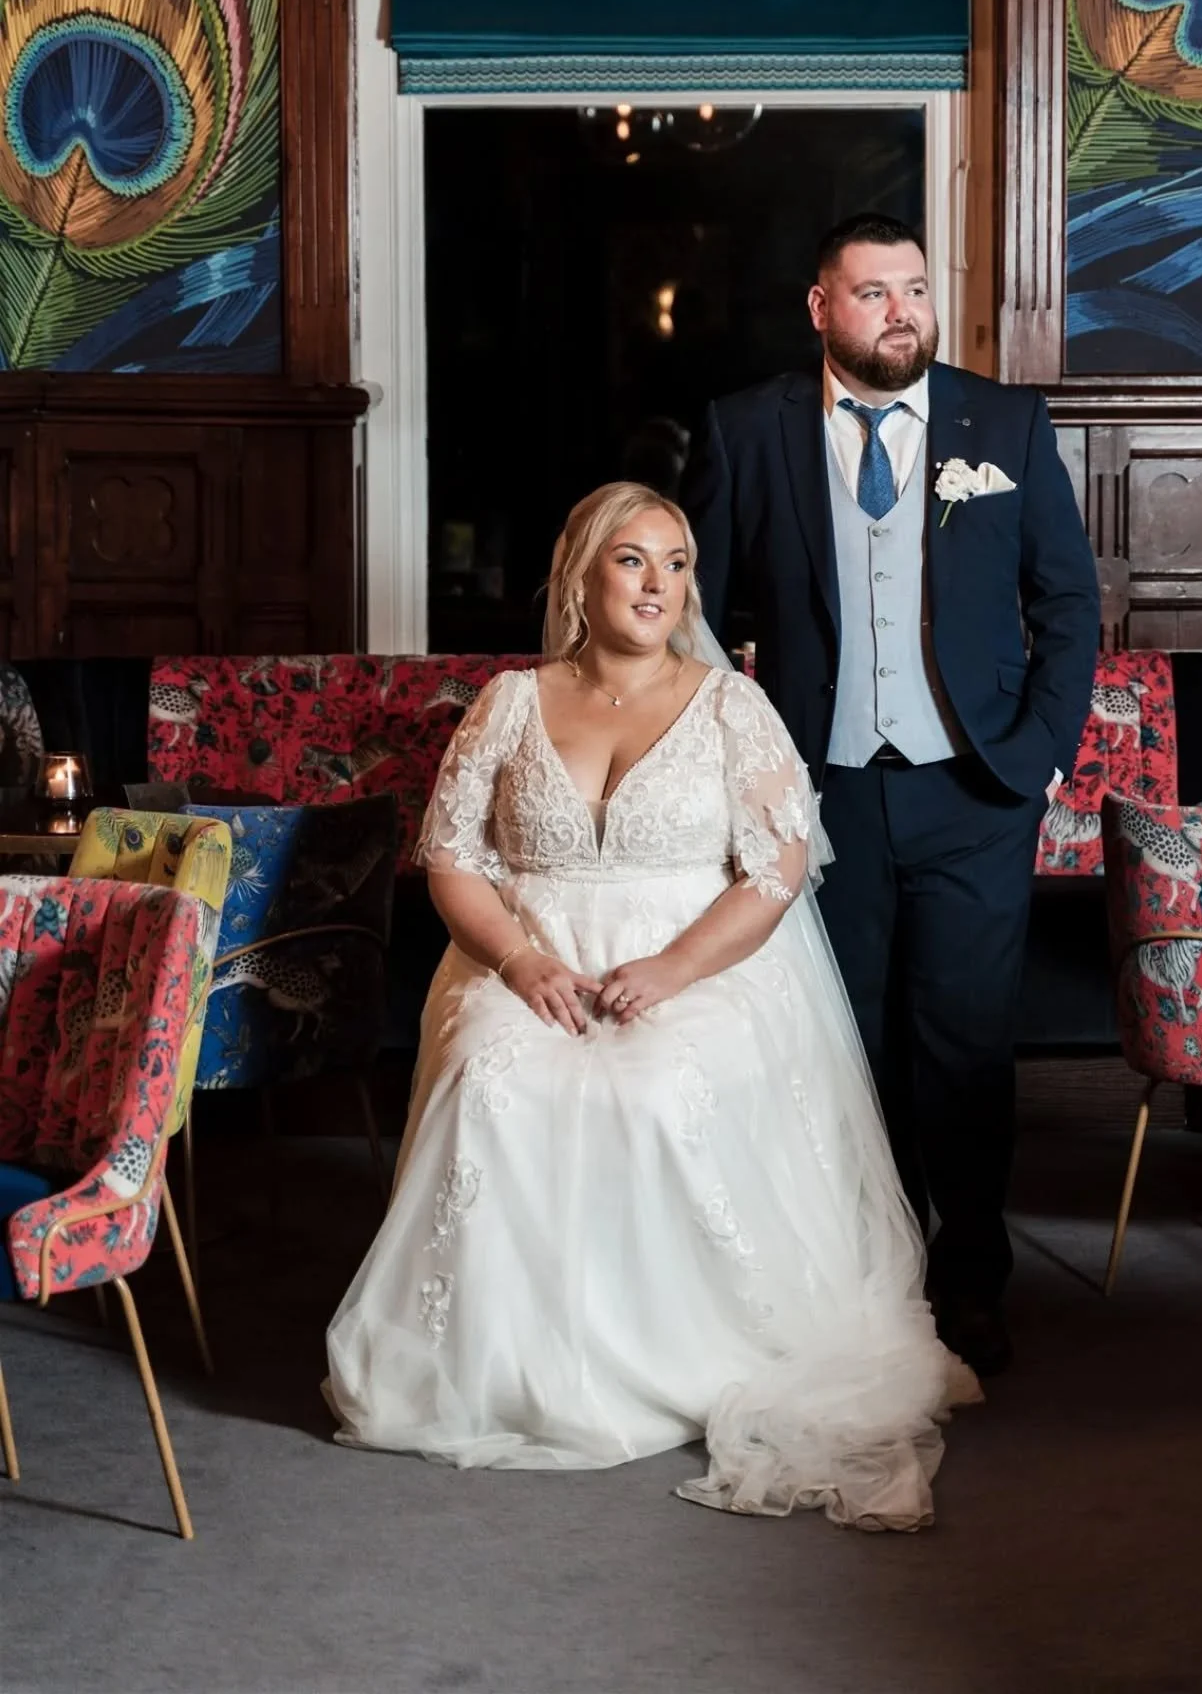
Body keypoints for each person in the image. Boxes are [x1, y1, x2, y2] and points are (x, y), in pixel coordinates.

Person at [326, 481, 977, 1531]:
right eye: (633, 561)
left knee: (662, 1089)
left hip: (697, 960)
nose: (658, 586)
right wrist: (522, 963)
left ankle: (673, 1358)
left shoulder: (732, 704)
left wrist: (671, 970)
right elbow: (449, 859)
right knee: (493, 1081)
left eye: (676, 565)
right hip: (527, 953)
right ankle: (502, 1365)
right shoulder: (508, 700)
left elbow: (774, 873)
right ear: (582, 574)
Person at [681, 215, 1101, 1375]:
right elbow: (698, 624)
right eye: (872, 293)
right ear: (822, 309)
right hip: (822, 805)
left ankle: (972, 1290)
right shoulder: (746, 428)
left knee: (964, 1048)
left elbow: (1069, 602)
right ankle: (862, 1286)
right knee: (842, 1049)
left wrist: (1039, 757)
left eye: (913, 289)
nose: (899, 311)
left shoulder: (1003, 422)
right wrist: (748, 776)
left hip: (977, 791)